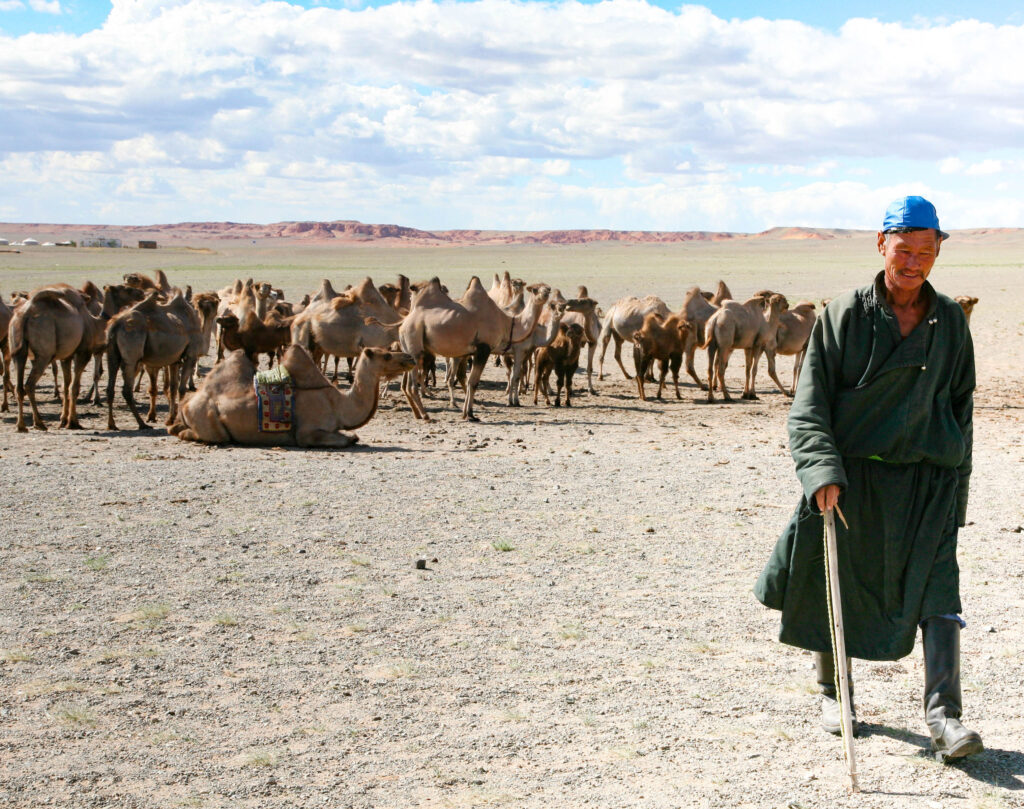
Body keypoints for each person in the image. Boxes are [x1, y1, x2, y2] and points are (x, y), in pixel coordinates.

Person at [753, 195, 983, 762]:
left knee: (938, 592)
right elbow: (809, 407)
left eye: (925, 253)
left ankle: (944, 718)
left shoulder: (950, 320)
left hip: (927, 481)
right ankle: (836, 694)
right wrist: (822, 471)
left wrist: (958, 494)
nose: (914, 263)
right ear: (882, 245)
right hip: (852, 481)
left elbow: (961, 410)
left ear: (937, 251)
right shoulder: (844, 316)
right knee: (836, 582)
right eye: (904, 250)